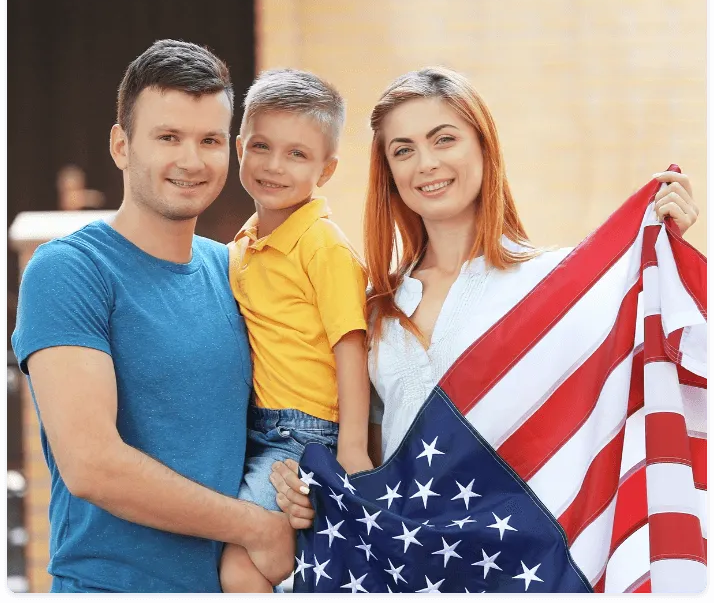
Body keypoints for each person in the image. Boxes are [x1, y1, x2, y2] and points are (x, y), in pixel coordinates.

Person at [268, 67, 700, 529]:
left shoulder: (552, 285)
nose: (426, 163)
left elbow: (636, 377)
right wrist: (315, 497)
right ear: (389, 172)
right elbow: (371, 466)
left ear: (483, 145)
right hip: (413, 566)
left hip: (521, 562)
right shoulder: (376, 312)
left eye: (444, 139)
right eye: (403, 150)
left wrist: (666, 258)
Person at [11, 39, 295, 593]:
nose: (191, 161)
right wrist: (256, 528)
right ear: (121, 145)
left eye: (209, 140)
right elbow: (92, 464)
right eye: (168, 137)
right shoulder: (71, 270)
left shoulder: (236, 270)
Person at [219, 69, 374, 593]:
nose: (274, 166)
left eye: (298, 155)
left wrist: (352, 447)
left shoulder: (323, 246)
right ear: (240, 146)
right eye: (261, 146)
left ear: (326, 170)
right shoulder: (241, 245)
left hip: (304, 434)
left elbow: (349, 344)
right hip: (255, 429)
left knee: (241, 564)